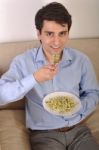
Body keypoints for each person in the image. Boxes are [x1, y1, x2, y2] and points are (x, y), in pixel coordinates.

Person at [0, 2, 99, 150]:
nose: (57, 42)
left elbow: (93, 93)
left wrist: (78, 109)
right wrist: (33, 78)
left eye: (62, 33)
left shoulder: (81, 60)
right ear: (39, 33)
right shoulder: (23, 61)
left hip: (78, 130)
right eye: (49, 34)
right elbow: (2, 95)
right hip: (44, 134)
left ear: (68, 33)